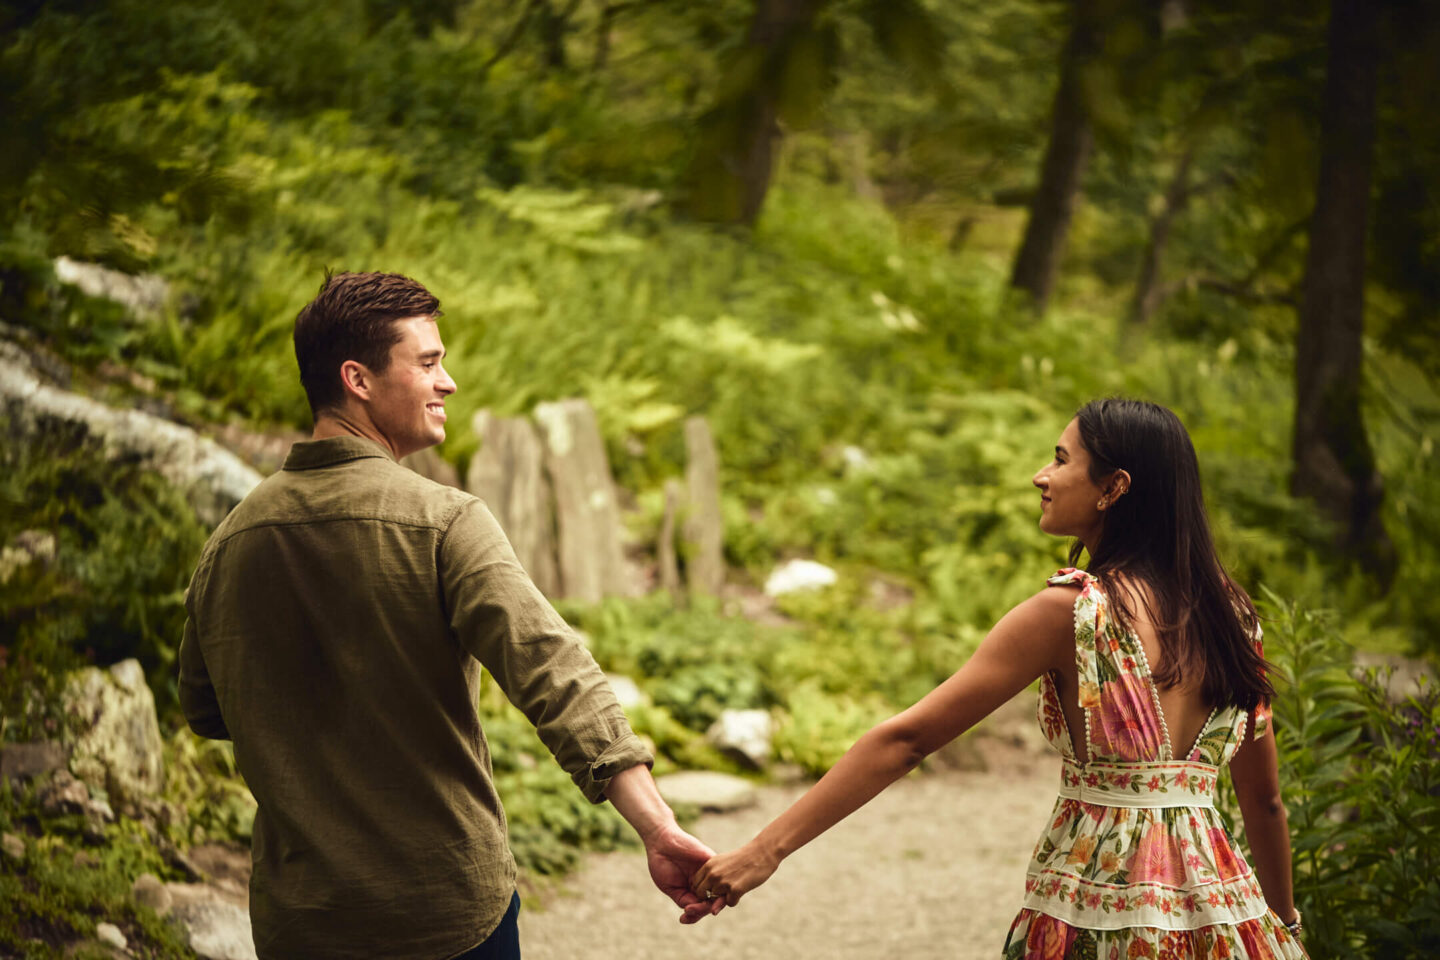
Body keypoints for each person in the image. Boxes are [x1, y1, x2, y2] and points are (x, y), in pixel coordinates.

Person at [178, 271, 722, 960]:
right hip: (446, 915)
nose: (449, 382)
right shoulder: (443, 521)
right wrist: (656, 825)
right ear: (359, 379)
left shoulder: (230, 541)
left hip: (303, 922)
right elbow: (553, 673)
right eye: (429, 362)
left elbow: (204, 706)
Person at [693, 397, 1308, 959]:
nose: (1041, 476)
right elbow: (1263, 799)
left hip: (1097, 921)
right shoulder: (1233, 616)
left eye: (1062, 460)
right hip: (1226, 920)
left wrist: (764, 851)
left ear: (1113, 488)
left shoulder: (1072, 613)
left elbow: (905, 742)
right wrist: (1283, 927)